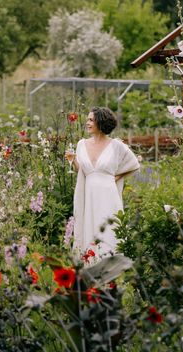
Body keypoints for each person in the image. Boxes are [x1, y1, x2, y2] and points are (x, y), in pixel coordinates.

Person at [66, 106, 140, 259]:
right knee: (90, 230)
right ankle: (90, 270)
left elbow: (134, 164)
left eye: (91, 120)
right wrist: (73, 161)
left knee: (109, 232)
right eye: (87, 119)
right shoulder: (81, 144)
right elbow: (84, 171)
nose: (87, 123)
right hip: (89, 195)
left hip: (108, 195)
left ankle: (111, 272)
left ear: (100, 122)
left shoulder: (116, 145)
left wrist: (116, 177)